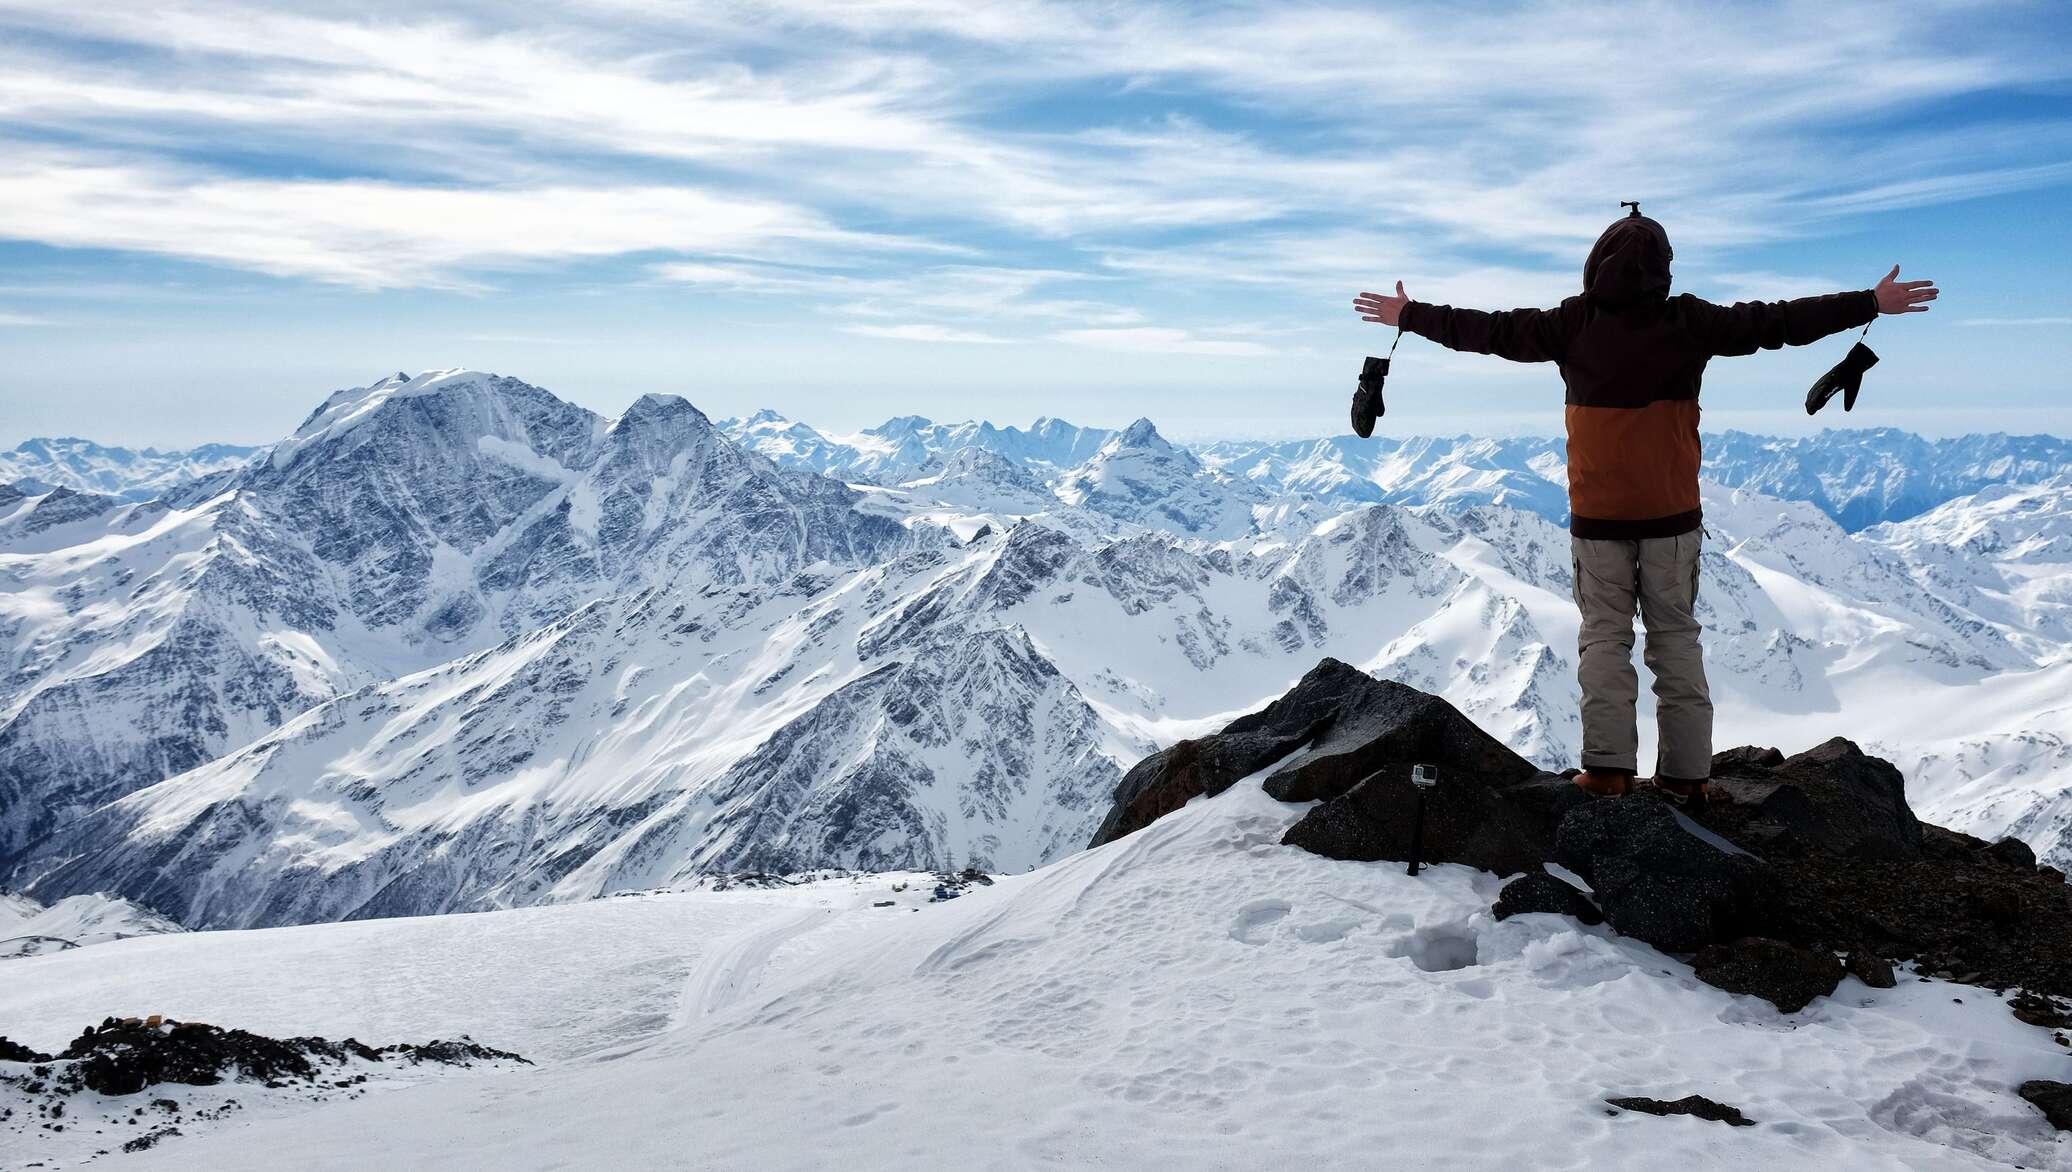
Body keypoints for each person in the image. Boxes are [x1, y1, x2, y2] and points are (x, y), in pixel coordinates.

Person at [1351, 205, 1937, 809]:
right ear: (1664, 268)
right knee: (1676, 638)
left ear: (1594, 265)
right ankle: (1686, 777)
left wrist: (1408, 315)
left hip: (1599, 519)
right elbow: (1780, 321)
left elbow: (1488, 332)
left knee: (1604, 639)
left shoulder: (1571, 324)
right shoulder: (1690, 321)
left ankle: (1606, 772)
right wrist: (1870, 302)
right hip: (1672, 518)